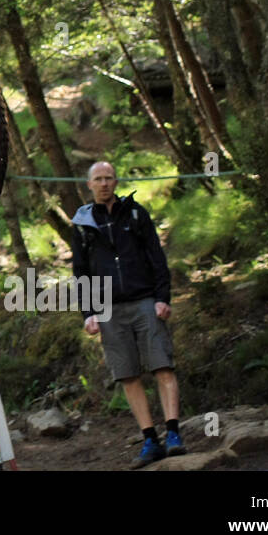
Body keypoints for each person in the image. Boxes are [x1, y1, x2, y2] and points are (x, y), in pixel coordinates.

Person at [71, 160, 185, 468]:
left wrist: (163, 297)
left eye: (109, 178)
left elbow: (156, 257)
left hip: (146, 300)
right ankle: (150, 438)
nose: (105, 183)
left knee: (163, 366)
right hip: (108, 309)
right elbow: (81, 273)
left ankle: (173, 433)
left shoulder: (136, 214)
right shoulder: (82, 226)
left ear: (116, 181)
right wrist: (88, 313)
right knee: (128, 375)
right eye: (99, 179)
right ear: (89, 185)